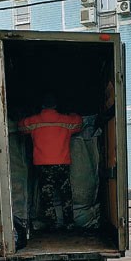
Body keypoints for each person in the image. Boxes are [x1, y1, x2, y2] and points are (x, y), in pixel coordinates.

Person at [19, 93, 82, 231]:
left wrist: (28, 114)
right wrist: (72, 113)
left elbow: (21, 127)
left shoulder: (34, 121)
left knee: (47, 196)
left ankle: (52, 225)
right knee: (66, 195)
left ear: (42, 106)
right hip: (62, 163)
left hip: (43, 165)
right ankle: (69, 223)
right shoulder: (66, 121)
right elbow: (79, 123)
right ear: (56, 106)